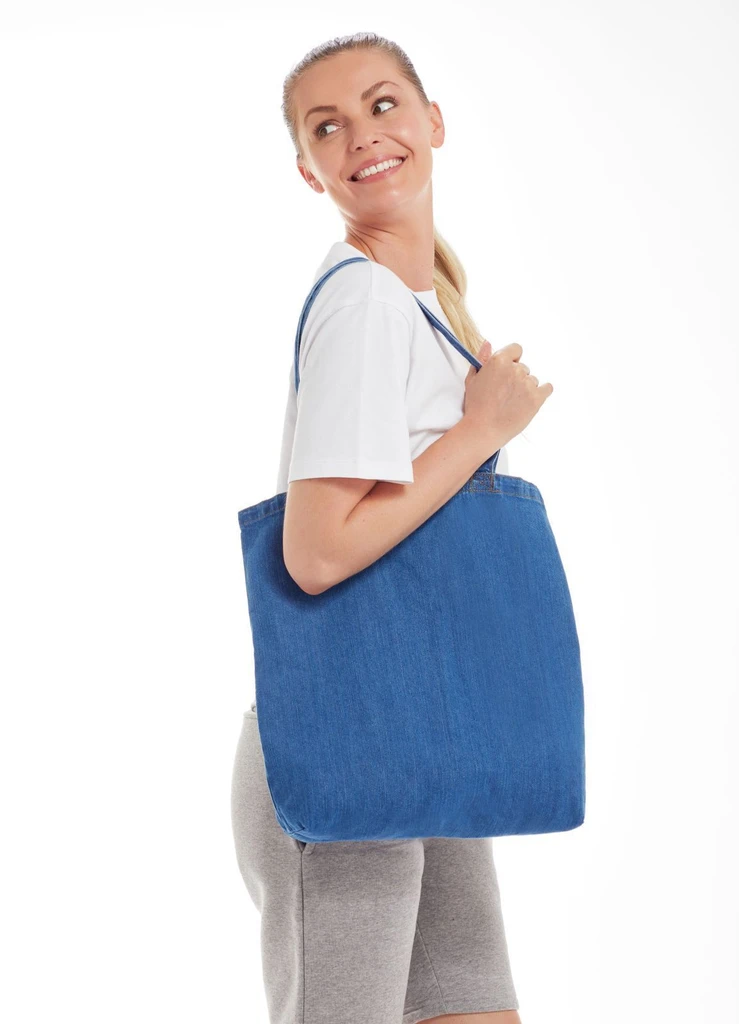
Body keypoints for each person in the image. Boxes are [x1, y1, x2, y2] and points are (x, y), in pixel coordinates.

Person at [230, 31, 552, 1024]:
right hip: (348, 739)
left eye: (381, 105)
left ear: (432, 121)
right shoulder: (364, 300)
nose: (362, 135)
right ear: (308, 169)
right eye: (327, 126)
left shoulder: (427, 306)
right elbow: (317, 551)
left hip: (424, 730)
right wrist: (481, 431)